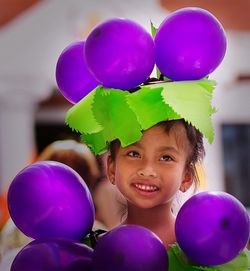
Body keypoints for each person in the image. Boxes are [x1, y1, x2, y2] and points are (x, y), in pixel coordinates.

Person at [106, 119, 204, 249]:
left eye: (166, 158)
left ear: (186, 177)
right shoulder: (96, 250)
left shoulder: (201, 252)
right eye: (134, 154)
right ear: (112, 169)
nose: (147, 171)